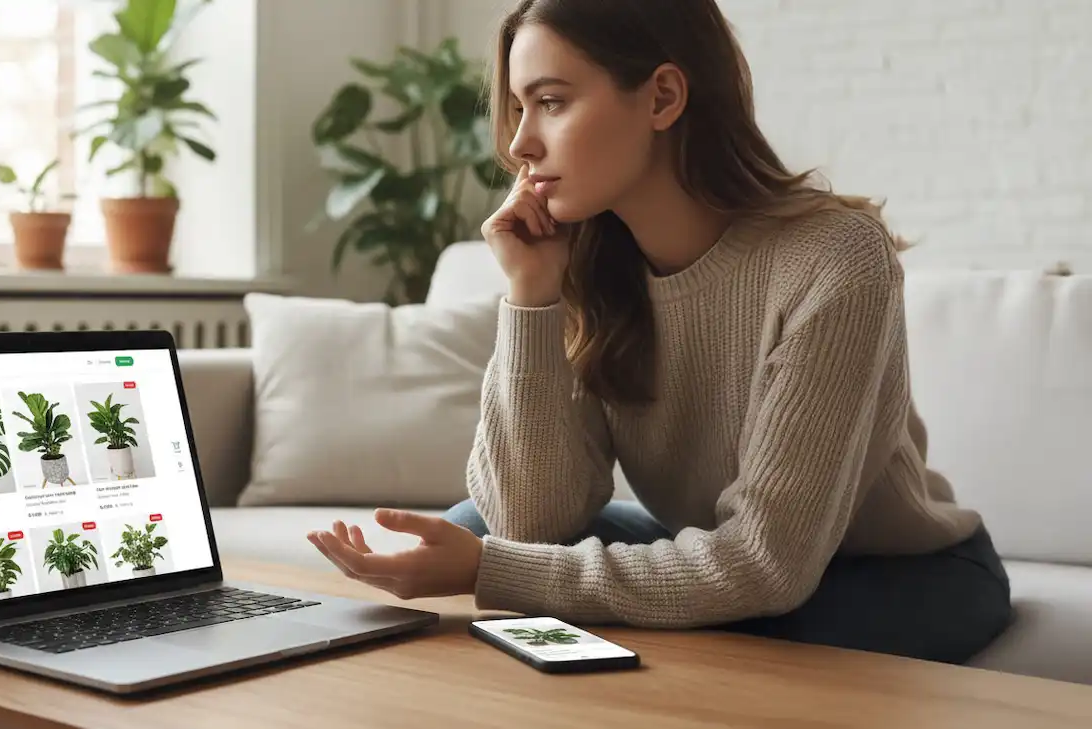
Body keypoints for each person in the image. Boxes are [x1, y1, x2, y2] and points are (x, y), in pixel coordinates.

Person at [306, 0, 1012, 664]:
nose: (520, 143)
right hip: (725, 550)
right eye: (519, 108)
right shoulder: (582, 254)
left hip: (898, 570)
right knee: (476, 523)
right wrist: (531, 298)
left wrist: (494, 570)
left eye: (551, 102)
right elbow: (530, 518)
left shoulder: (834, 258)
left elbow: (766, 564)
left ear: (663, 98)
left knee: (760, 626)